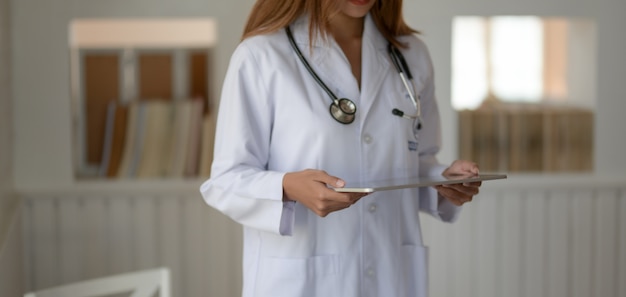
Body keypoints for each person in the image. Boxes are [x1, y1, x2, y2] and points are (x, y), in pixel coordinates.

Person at [200, 0, 482, 296]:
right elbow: (225, 181)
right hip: (302, 280)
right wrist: (288, 186)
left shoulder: (411, 55)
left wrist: (443, 178)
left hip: (391, 275)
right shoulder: (261, 55)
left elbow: (415, 159)